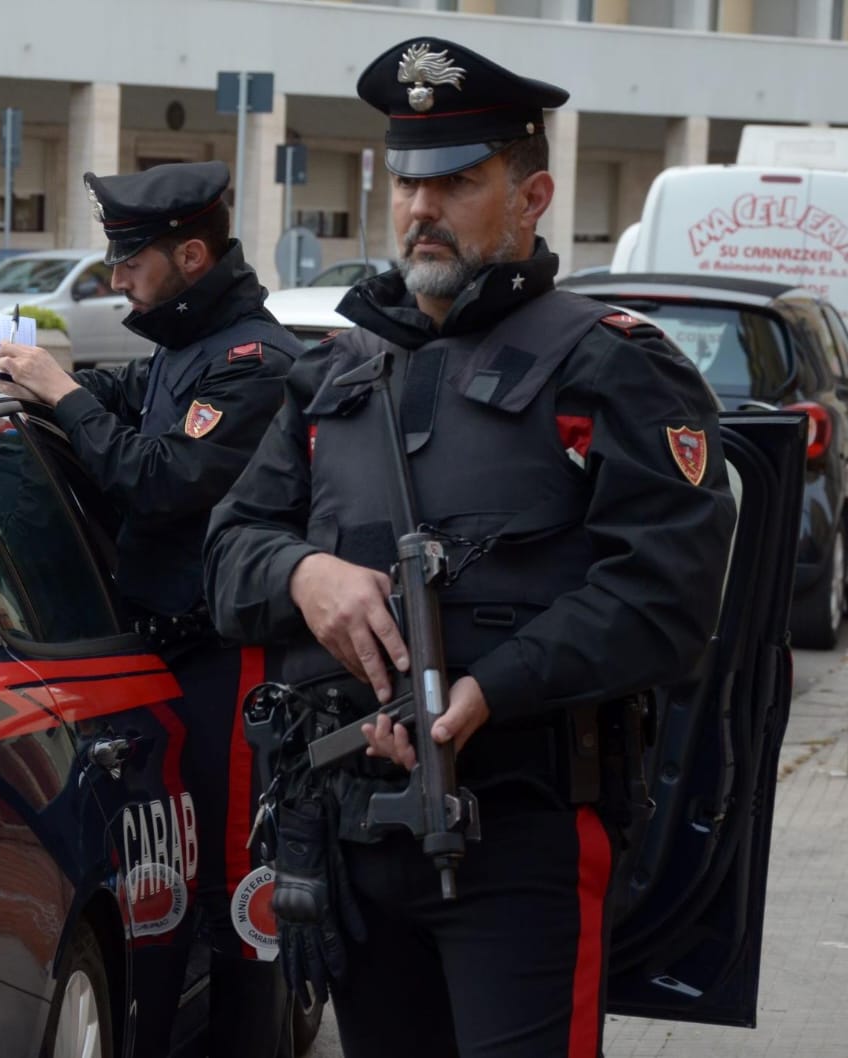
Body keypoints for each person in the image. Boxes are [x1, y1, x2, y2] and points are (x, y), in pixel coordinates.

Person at [202, 37, 737, 1058]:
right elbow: (229, 550)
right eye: (405, 180)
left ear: (530, 195)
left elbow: (667, 593)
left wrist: (490, 689)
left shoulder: (613, 367)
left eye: (455, 180)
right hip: (353, 826)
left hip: (519, 829)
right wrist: (303, 573)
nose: (418, 207)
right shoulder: (333, 374)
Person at [0, 161, 300, 1056]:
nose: (116, 277)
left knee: (243, 907)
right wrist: (30, 378)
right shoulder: (182, 350)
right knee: (172, 903)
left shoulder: (256, 365)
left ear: (193, 256)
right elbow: (122, 411)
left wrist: (62, 390)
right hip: (159, 669)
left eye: (130, 260)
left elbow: (159, 478)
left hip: (229, 669)